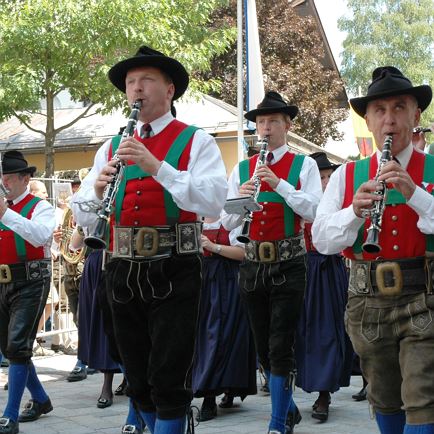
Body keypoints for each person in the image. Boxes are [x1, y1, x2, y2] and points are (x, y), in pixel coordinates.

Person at [71, 45, 228, 434]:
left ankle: (172, 423)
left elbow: (213, 201)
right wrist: (95, 191)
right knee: (136, 371)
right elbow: (81, 215)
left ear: (170, 89)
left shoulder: (197, 141)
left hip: (175, 265)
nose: (136, 89)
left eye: (146, 81)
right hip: (121, 265)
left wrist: (157, 167)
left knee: (169, 371)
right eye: (130, 83)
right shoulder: (110, 146)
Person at [311, 66, 434, 434]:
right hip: (367, 300)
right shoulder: (348, 175)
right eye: (379, 111)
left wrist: (416, 195)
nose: (390, 120)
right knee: (384, 396)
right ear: (368, 120)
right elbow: (321, 239)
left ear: (416, 115)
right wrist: (353, 211)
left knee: (422, 395)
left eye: (399, 108)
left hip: (424, 297)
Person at [222, 91, 322, 434]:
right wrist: (242, 198)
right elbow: (227, 222)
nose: (265, 128)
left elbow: (313, 211)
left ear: (287, 125)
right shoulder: (242, 168)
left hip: (289, 262)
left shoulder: (304, 165)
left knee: (281, 343)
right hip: (252, 263)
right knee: (262, 343)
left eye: (273, 121)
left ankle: (278, 421)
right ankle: (288, 406)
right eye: (261, 122)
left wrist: (278, 184)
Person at [0, 151, 56, 434]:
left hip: (31, 281)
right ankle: (42, 399)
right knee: (9, 347)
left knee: (17, 346)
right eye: (3, 177)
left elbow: (39, 236)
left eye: (9, 178)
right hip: (2, 282)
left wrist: (5, 213)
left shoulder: (41, 207)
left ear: (25, 179)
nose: (4, 183)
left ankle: (9, 415)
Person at [295, 152, 353, 423]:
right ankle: (298, 388)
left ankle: (324, 393)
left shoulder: (339, 201)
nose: (326, 182)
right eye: (321, 177)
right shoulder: (301, 200)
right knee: (303, 331)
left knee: (329, 330)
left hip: (329, 269)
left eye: (329, 176)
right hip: (303, 268)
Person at [192, 217, 257, 422]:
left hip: (228, 280)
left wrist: (213, 246)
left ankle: (212, 395)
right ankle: (214, 390)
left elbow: (245, 253)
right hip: (201, 279)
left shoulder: (232, 216)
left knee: (224, 335)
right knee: (203, 337)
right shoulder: (196, 214)